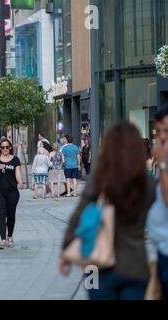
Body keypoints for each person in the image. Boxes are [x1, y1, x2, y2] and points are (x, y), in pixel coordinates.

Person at [60, 122, 155, 300]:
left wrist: (66, 249)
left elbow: (79, 215)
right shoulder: (147, 183)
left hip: (96, 266)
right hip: (134, 265)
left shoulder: (100, 179)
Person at [0, 138, 24, 250]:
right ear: (0, 149)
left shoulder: (15, 160)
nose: (5, 149)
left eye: (7, 147)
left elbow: (18, 174)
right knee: (1, 214)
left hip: (12, 191)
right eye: (2, 147)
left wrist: (20, 182)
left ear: (10, 147)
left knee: (11, 215)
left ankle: (10, 236)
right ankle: (3, 240)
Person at [147, 107, 168, 300]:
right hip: (161, 250)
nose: (161, 137)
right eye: (158, 131)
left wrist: (162, 164)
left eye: (166, 131)